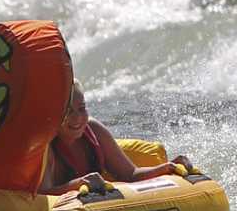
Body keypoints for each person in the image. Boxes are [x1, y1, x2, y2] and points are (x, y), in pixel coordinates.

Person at [41, 82, 194, 194]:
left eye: (82, 109)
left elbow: (130, 174)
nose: (78, 118)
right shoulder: (47, 146)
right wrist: (77, 184)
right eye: (69, 111)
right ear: (55, 114)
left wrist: (166, 167)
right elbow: (43, 195)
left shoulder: (94, 130)